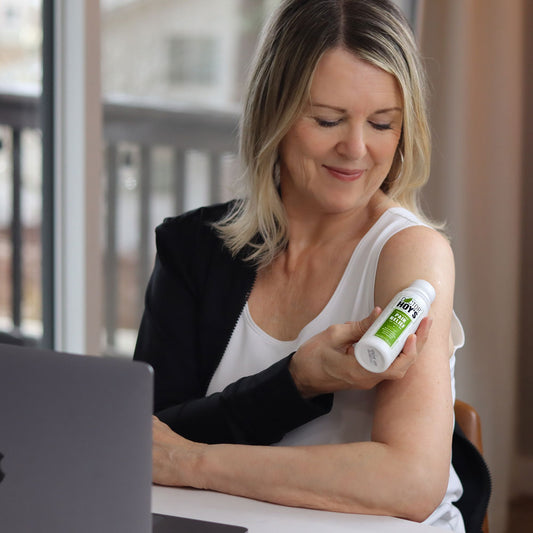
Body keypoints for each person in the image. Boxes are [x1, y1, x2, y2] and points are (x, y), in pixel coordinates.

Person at [133, 0, 466, 530]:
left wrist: (192, 461)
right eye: (328, 119)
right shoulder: (191, 248)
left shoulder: (410, 253)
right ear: (275, 113)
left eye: (382, 123)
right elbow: (144, 441)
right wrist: (296, 381)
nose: (355, 149)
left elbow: (410, 482)